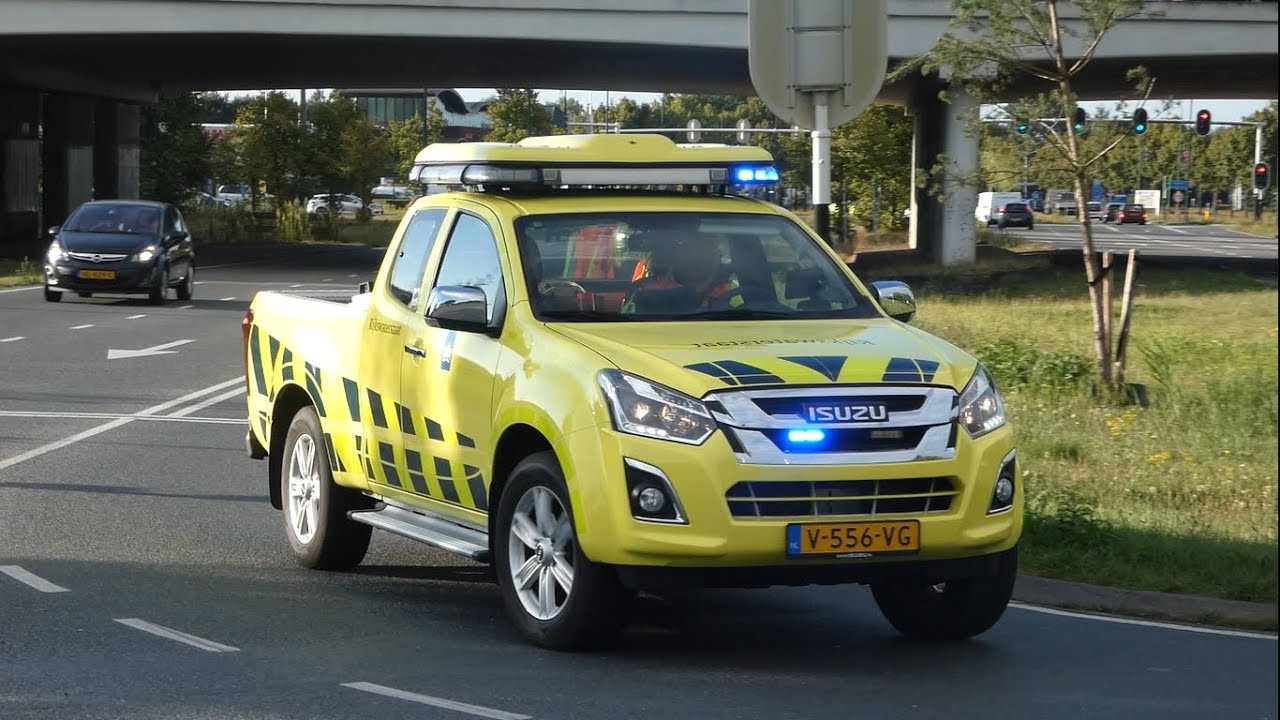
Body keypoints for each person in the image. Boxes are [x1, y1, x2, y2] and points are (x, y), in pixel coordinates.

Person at [623, 230, 743, 313]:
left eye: (702, 251)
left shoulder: (735, 292)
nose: (695, 257)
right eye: (688, 250)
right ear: (675, 255)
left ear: (715, 257)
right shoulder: (647, 288)